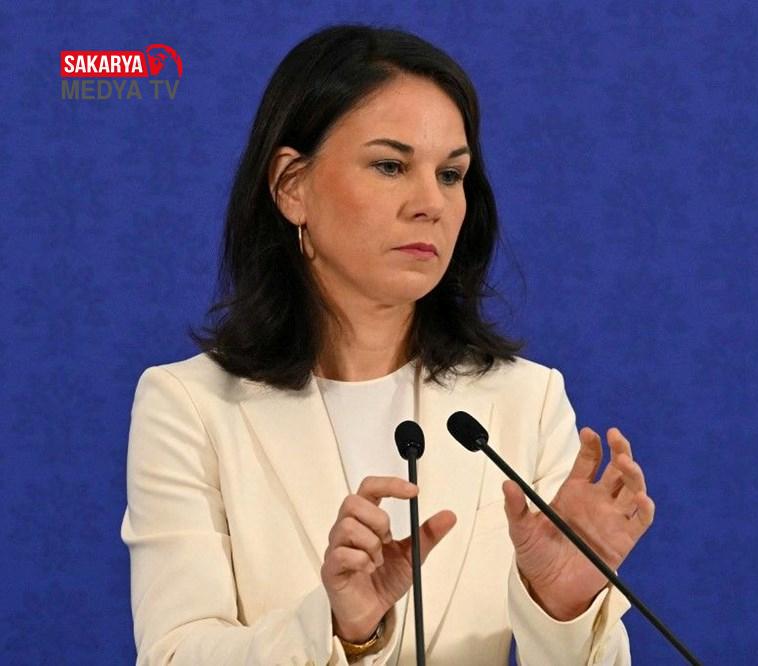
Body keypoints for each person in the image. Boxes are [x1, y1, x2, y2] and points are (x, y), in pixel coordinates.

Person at [121, 24, 655, 665]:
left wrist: (560, 605)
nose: (431, 203)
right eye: (390, 166)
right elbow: (174, 654)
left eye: (451, 174)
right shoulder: (190, 406)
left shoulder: (526, 400)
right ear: (292, 186)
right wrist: (339, 627)